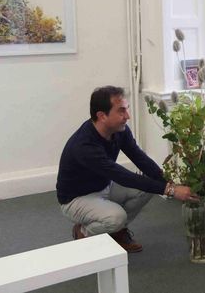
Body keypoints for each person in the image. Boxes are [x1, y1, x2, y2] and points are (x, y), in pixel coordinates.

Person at [56, 86, 197, 253]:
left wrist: (168, 182)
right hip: (76, 199)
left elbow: (139, 157)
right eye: (121, 111)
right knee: (117, 217)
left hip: (104, 186)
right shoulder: (84, 145)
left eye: (127, 109)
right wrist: (171, 190)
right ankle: (83, 232)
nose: (127, 116)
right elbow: (122, 176)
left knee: (150, 186)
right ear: (102, 116)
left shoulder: (119, 130)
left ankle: (116, 231)